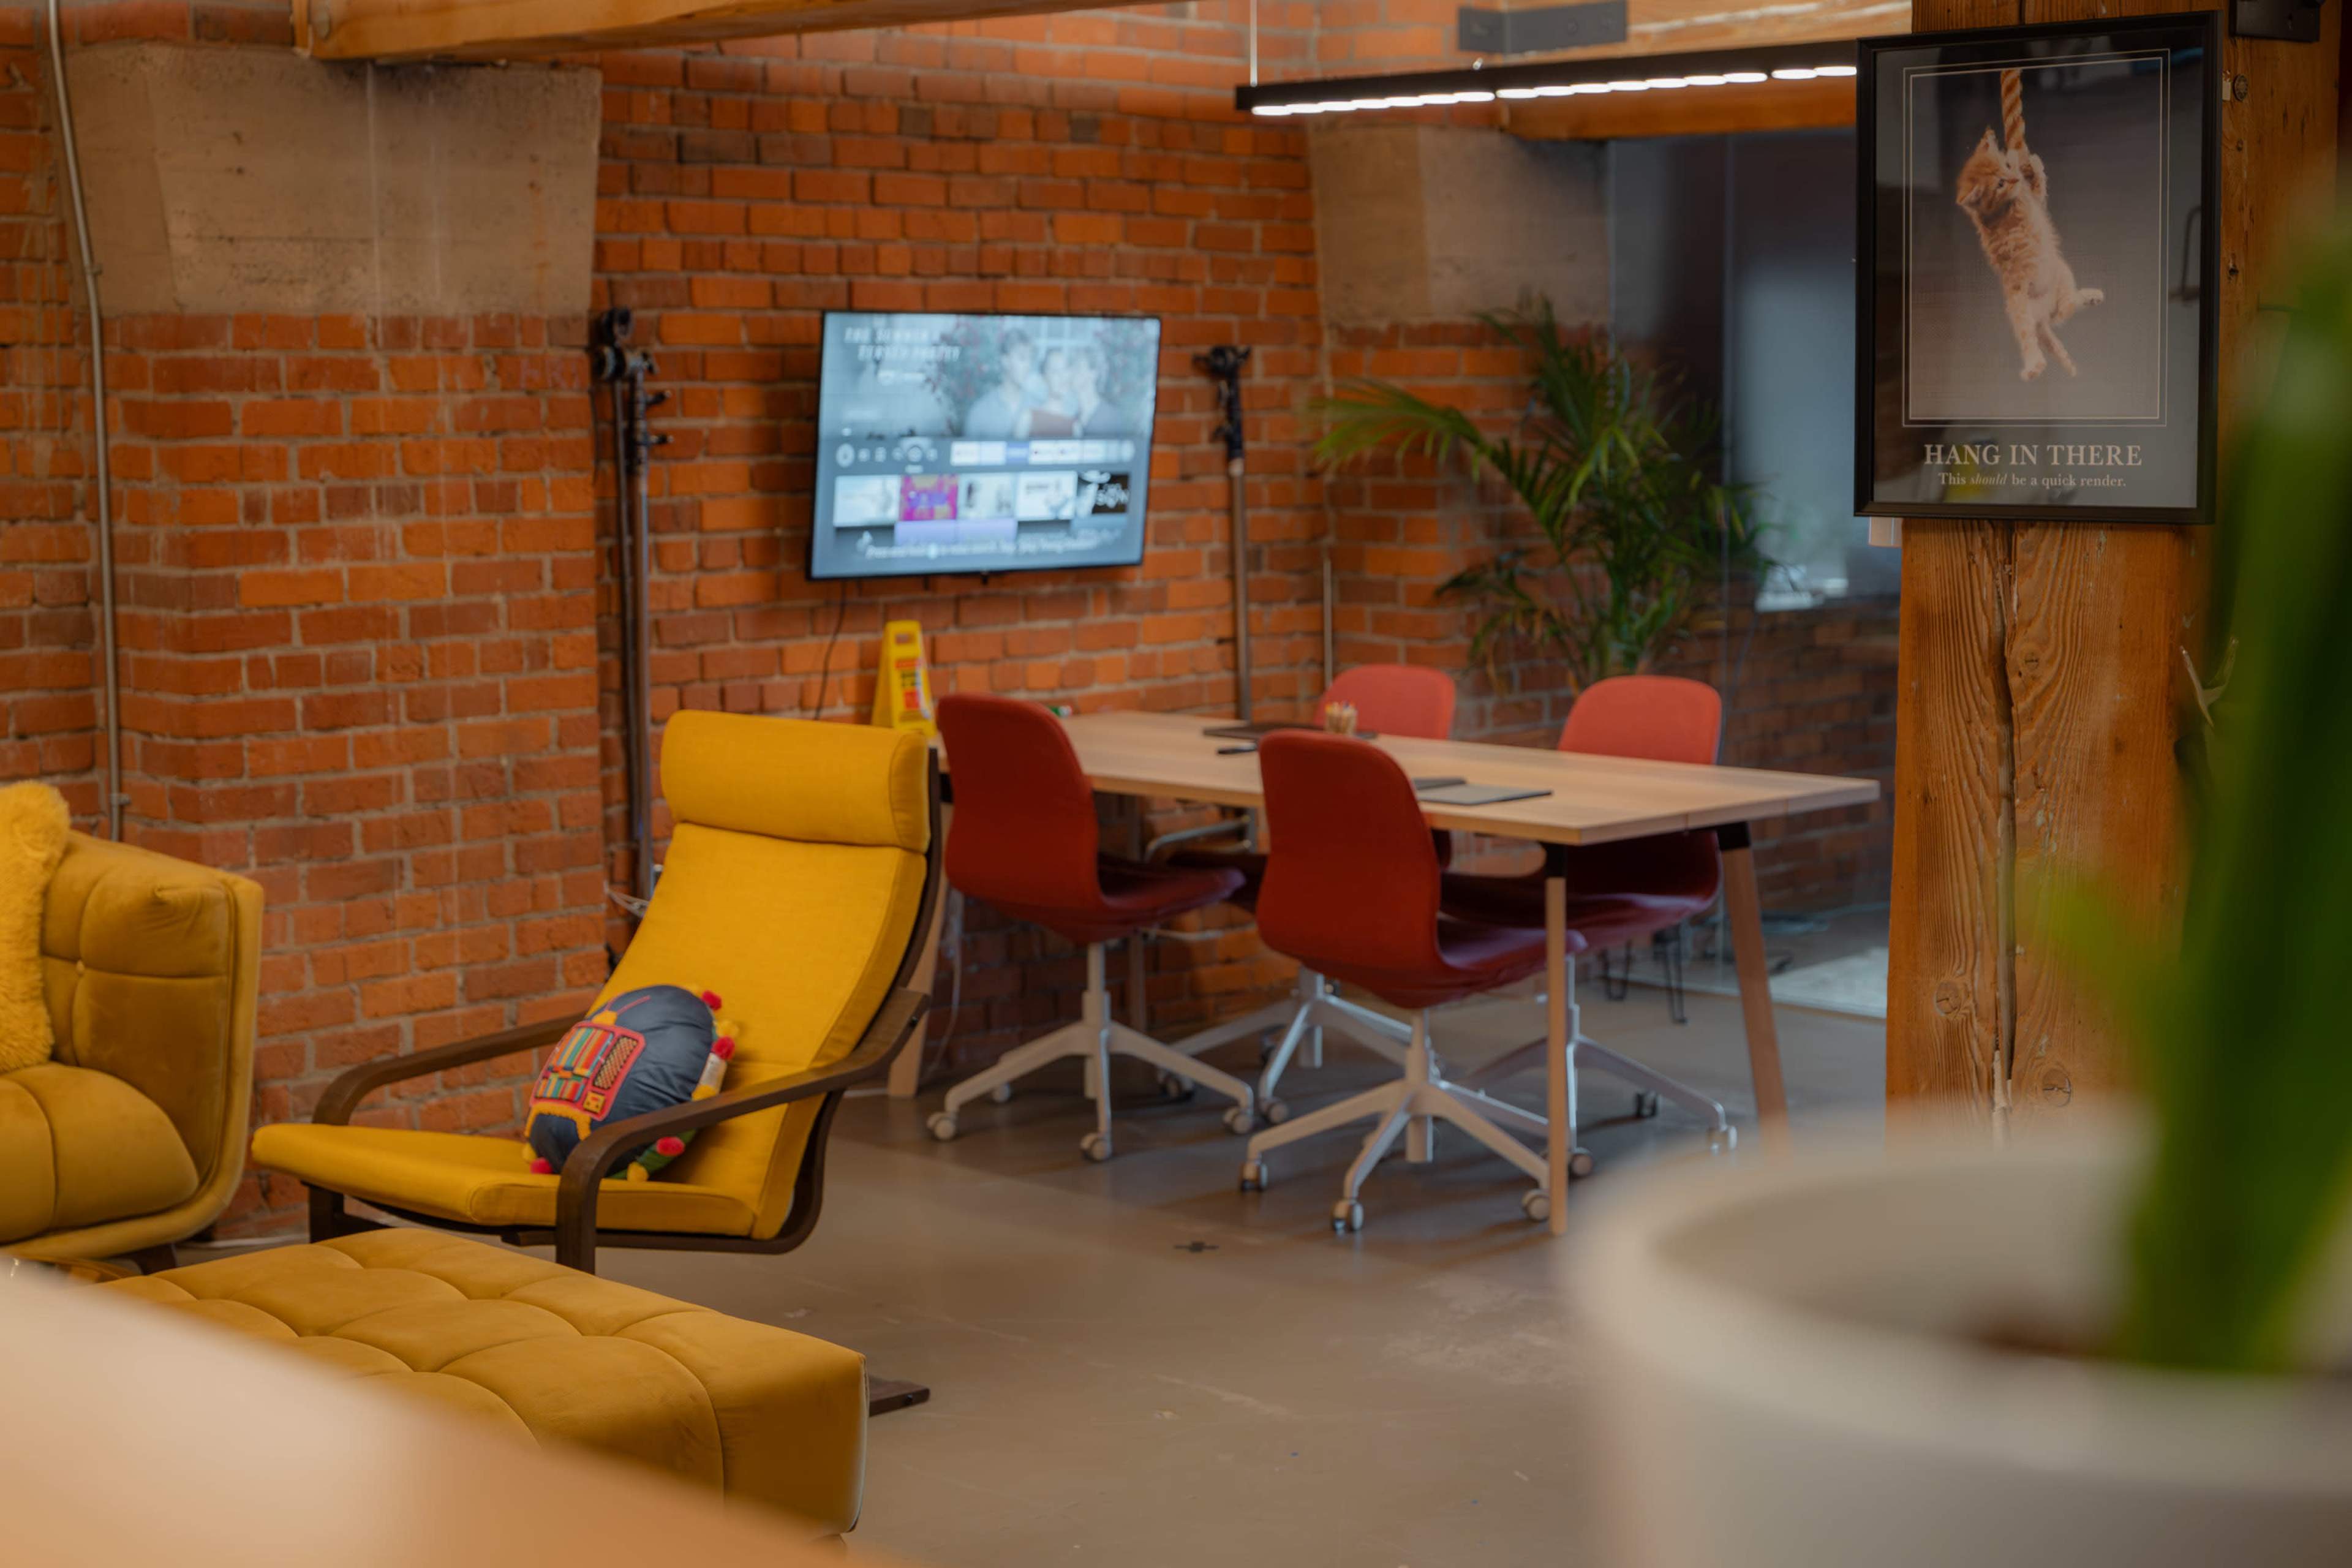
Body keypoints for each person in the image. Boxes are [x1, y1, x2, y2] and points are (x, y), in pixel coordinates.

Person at [963, 330, 1040, 440]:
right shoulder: (980, 412)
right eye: (1022, 358)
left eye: (1030, 359)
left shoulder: (1039, 408)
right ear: (1005, 361)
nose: (1029, 366)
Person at [1020, 348, 1079, 439]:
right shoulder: (1028, 419)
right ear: (1044, 377)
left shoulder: (1075, 426)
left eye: (1065, 369)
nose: (1062, 377)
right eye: (1055, 371)